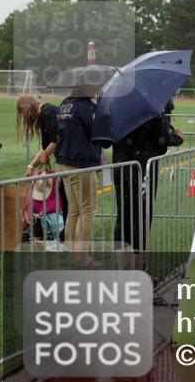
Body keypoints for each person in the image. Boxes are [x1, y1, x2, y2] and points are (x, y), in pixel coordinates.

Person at [111, 99, 184, 265]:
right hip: (143, 169)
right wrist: (177, 137)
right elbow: (163, 139)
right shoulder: (151, 107)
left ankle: (124, 271)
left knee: (123, 216)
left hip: (121, 166)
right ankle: (139, 273)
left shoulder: (118, 106)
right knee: (141, 218)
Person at [55, 85, 101, 254]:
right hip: (81, 163)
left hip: (65, 161)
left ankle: (71, 252)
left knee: (74, 210)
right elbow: (98, 132)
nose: (96, 90)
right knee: (87, 210)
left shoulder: (65, 103)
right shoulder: (86, 107)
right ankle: (81, 255)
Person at [17, 95, 68, 238]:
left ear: (27, 108)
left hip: (72, 159)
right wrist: (31, 166)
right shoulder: (43, 114)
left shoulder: (47, 112)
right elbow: (45, 147)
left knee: (69, 203)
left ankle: (67, 238)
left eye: (23, 113)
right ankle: (64, 235)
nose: (23, 117)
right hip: (65, 160)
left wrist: (46, 155)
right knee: (65, 201)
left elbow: (56, 140)